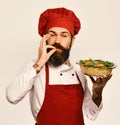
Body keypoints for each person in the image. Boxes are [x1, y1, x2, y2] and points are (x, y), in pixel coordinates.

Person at [6, 7, 112, 125]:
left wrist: (97, 94)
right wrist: (39, 63)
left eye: (64, 35)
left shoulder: (78, 72)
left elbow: (91, 114)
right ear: (45, 38)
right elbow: (12, 97)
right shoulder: (35, 68)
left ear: (72, 41)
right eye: (52, 34)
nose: (57, 40)